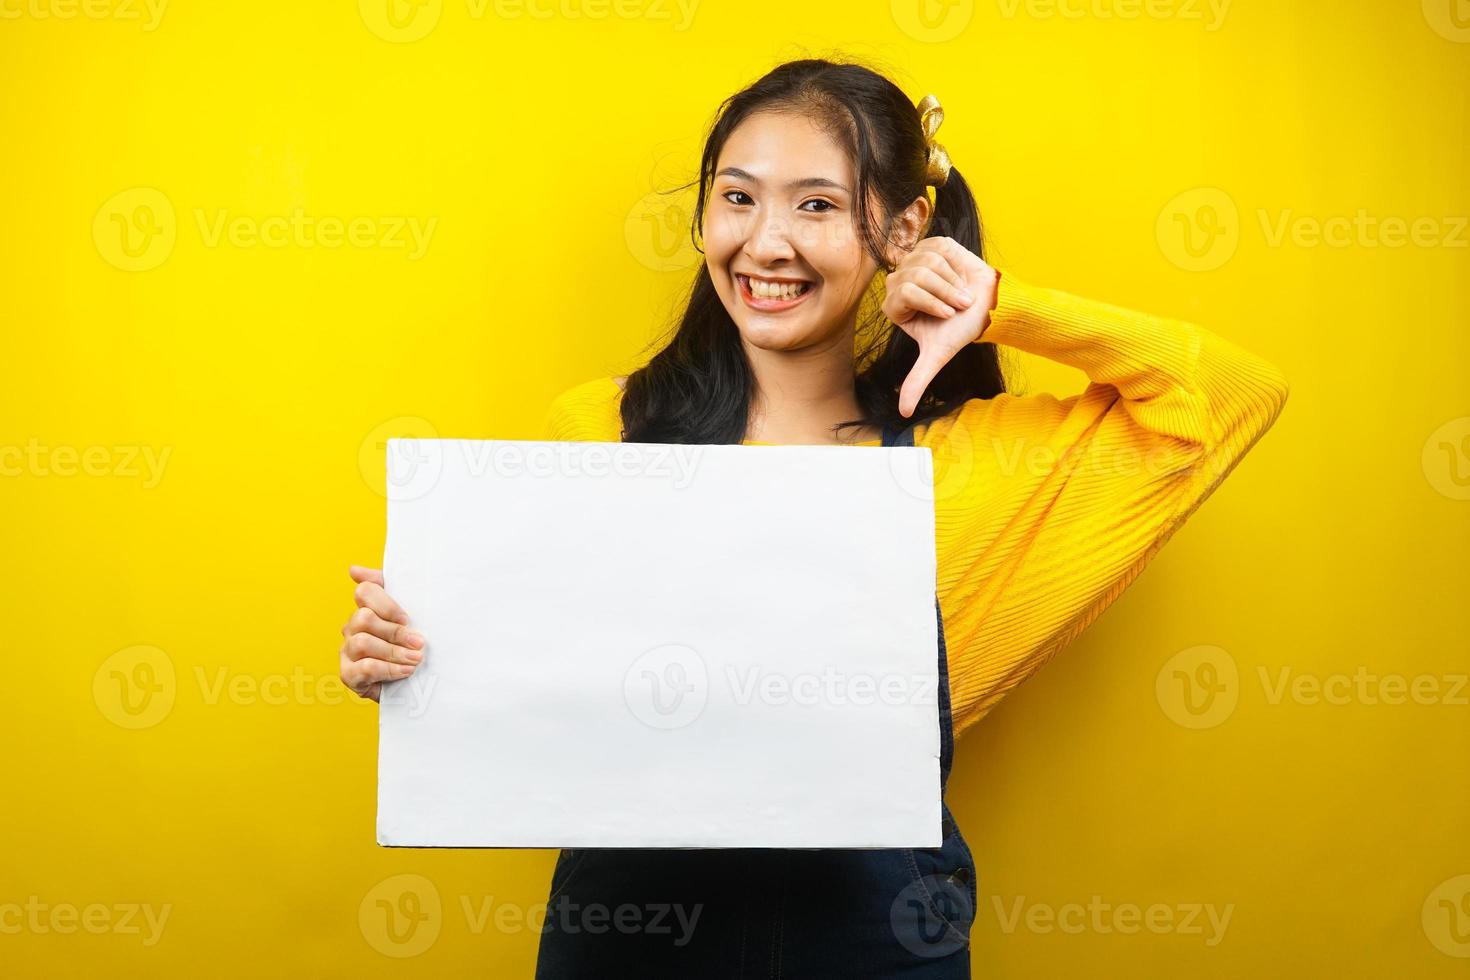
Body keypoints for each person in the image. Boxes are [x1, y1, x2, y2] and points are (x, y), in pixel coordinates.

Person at [339, 57, 1288, 978]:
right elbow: (548, 682)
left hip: (877, 928)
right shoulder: (603, 428)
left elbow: (1233, 397)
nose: (765, 243)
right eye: (738, 197)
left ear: (903, 227)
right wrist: (417, 658)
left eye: (818, 204)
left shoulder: (973, 462)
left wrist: (999, 304)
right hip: (631, 921)